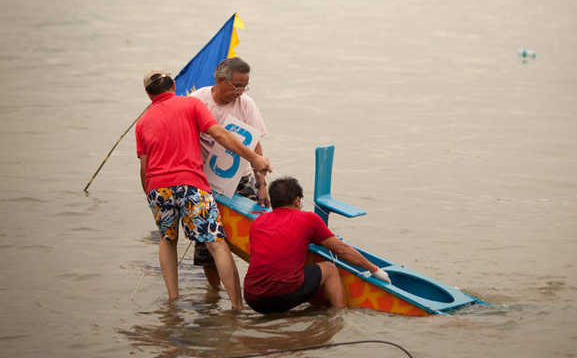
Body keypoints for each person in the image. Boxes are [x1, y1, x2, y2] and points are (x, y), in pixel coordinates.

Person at [135, 69, 272, 307]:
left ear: (149, 94)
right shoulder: (191, 105)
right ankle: (237, 306)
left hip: (158, 189)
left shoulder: (143, 121)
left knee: (167, 240)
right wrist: (255, 158)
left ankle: (173, 299)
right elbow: (220, 135)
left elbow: (144, 168)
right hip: (190, 185)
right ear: (174, 86)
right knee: (216, 243)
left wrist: (150, 195)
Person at [243, 177, 390, 314]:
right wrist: (374, 269)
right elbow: (341, 250)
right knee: (330, 269)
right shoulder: (308, 218)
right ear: (297, 201)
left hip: (254, 299)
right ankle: (340, 315)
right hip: (283, 297)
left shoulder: (257, 222)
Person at [190, 57, 269, 288]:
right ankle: (214, 293)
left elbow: (255, 145)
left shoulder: (246, 104)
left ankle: (258, 284)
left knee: (258, 236)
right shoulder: (197, 102)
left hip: (241, 180)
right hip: (206, 183)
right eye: (237, 85)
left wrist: (261, 184)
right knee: (208, 245)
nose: (241, 91)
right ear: (220, 80)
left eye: (245, 85)